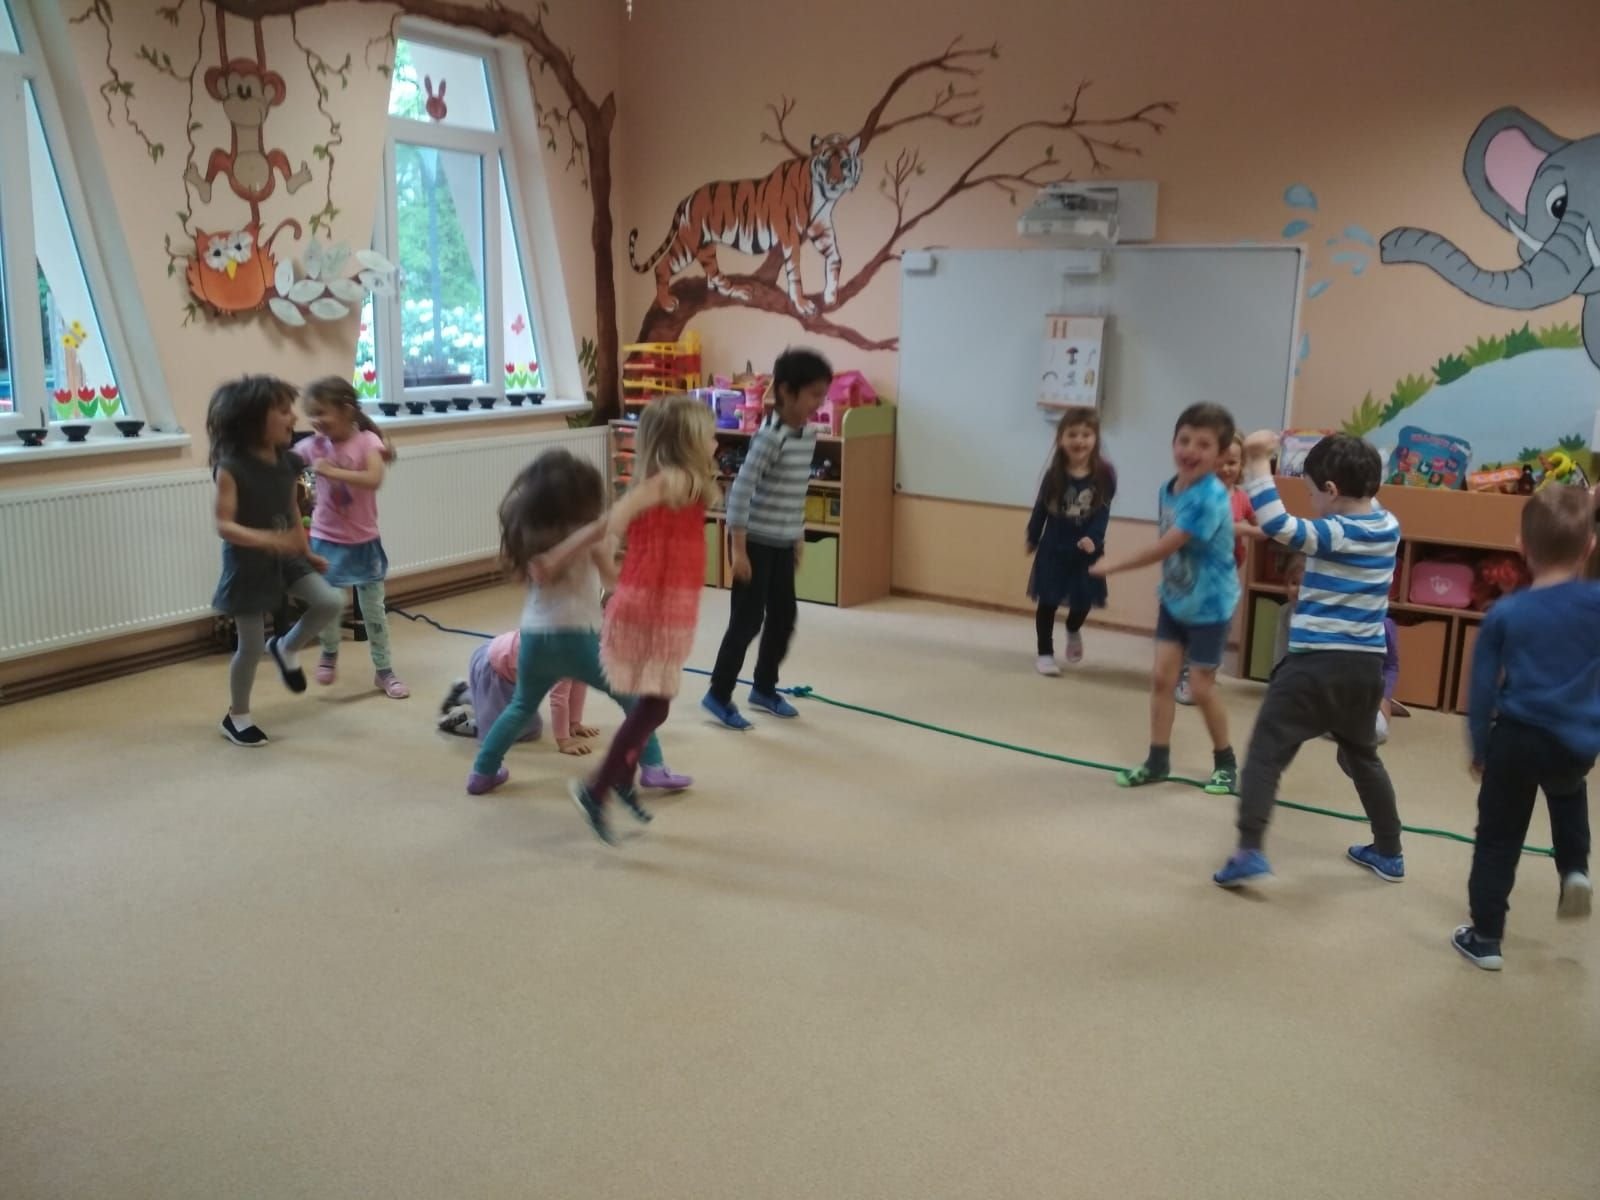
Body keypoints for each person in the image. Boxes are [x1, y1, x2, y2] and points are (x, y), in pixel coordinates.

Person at [1214, 430, 1403, 887]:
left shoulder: (1334, 532)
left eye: (1313, 493)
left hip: (1315, 665)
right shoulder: (1388, 525)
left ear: (1332, 491)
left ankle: (1249, 849)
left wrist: (1258, 462)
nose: (1312, 502)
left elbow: (1279, 526)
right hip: (1365, 671)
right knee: (1362, 756)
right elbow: (1355, 498)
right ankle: (1389, 850)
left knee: (1266, 752)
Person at [464, 448, 670, 816]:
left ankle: (483, 772)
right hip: (577, 636)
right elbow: (610, 579)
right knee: (632, 700)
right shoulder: (585, 540)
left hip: (532, 638)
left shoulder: (531, 539)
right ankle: (653, 767)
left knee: (521, 706)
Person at [1452, 486, 1597, 970]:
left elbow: (1481, 689)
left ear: (1521, 546)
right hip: (1574, 741)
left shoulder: (1506, 612)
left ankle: (1486, 938)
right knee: (1568, 791)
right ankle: (1574, 869)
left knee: (1498, 837)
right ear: (1590, 546)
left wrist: (1479, 746)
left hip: (1516, 738)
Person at [570, 395, 719, 843]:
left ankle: (620, 777)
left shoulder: (685, 484)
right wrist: (609, 561)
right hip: (652, 608)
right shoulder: (673, 480)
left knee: (656, 704)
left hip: (663, 606)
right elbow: (618, 516)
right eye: (709, 436)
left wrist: (613, 566)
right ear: (686, 442)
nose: (716, 443)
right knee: (655, 704)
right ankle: (597, 788)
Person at [1091, 403, 1241, 794]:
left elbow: (1166, 546)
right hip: (1176, 598)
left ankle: (1226, 762)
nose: (1190, 450)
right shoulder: (1168, 489)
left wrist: (1114, 564)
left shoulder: (1210, 497)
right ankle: (1157, 760)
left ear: (1220, 455)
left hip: (1210, 605)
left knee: (1201, 687)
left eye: (1203, 444)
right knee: (1162, 678)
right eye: (1184, 440)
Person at [207, 375, 344, 746]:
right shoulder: (231, 467)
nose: (292, 417)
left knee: (330, 602)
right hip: (247, 566)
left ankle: (286, 647)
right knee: (250, 646)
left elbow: (291, 509)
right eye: (283, 411)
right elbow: (224, 524)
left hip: (286, 557)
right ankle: (236, 716)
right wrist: (267, 538)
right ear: (254, 420)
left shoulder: (288, 462)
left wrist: (306, 551)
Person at [703, 348, 832, 730]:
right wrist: (738, 550)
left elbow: (795, 492)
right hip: (755, 543)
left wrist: (798, 537)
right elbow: (740, 492)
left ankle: (763, 688)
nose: (819, 403)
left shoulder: (807, 435)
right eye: (813, 394)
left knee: (783, 617)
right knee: (746, 622)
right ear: (787, 392)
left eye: (823, 395)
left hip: (782, 543)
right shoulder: (769, 438)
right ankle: (718, 694)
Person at [295, 377, 409, 699]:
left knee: (373, 609)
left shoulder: (368, 442)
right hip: (325, 540)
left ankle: (384, 671)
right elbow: (286, 461)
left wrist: (332, 471)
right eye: (311, 414)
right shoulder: (315, 445)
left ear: (346, 410)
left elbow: (373, 479)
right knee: (329, 605)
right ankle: (329, 652)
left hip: (364, 541)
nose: (315, 420)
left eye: (322, 412)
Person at [1026, 406, 1116, 674]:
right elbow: (1041, 509)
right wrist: (1032, 536)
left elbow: (1103, 513)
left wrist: (1094, 538)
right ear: (1061, 438)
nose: (1079, 440)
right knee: (1048, 602)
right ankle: (1045, 653)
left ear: (1095, 439)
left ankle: (1073, 627)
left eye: (1086, 434)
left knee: (1083, 601)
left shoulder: (1103, 475)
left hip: (1086, 552)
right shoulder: (1054, 476)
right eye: (1072, 434)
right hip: (1054, 549)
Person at [1177, 432, 1260, 704]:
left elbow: (1258, 522)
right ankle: (1186, 675)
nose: (1226, 469)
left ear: (1241, 464)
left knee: (1220, 625)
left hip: (1226, 574)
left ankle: (1205, 672)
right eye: (1219, 462)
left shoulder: (1242, 497)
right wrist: (1247, 530)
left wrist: (1267, 528)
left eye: (1232, 462)